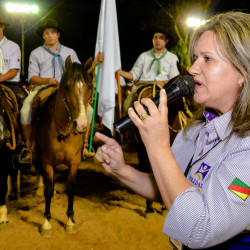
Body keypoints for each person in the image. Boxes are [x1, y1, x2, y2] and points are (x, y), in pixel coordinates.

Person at [95, 11, 250, 249]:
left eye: (207, 59)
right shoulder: (195, 130)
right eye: (195, 57)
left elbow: (200, 229)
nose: (191, 67)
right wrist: (121, 170)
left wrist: (158, 147)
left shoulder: (246, 148)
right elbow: (169, 188)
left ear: (242, 72)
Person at [20, 18, 101, 162]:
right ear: (43, 36)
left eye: (53, 32)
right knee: (25, 109)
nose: (50, 35)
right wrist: (47, 80)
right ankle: (29, 147)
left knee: (88, 111)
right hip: (44, 88)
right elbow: (32, 77)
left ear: (58, 35)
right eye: (46, 33)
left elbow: (79, 72)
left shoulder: (70, 52)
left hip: (67, 89)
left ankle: (84, 146)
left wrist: (94, 65)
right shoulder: (36, 53)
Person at [118, 29, 180, 115]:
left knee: (178, 107)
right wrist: (120, 72)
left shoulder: (172, 58)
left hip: (163, 88)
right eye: (156, 37)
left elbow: (175, 78)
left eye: (161, 38)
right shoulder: (143, 56)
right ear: (152, 40)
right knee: (127, 104)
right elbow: (134, 75)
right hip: (142, 87)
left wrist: (164, 82)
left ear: (166, 41)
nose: (158, 40)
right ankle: (127, 125)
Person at [0, 16, 26, 106]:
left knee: (24, 108)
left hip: (11, 84)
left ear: (3, 27)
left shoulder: (13, 47)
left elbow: (13, 72)